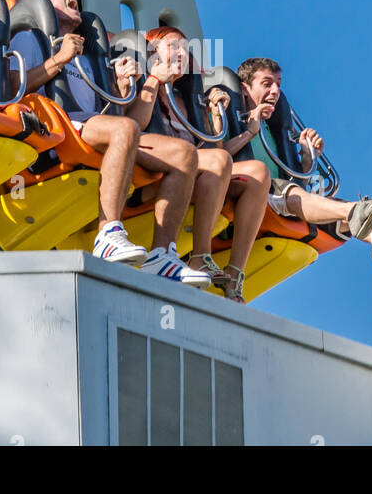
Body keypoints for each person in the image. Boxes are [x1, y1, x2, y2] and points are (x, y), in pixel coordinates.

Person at [8, 0, 209, 287]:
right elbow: (13, 87)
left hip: (97, 127)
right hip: (56, 126)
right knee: (124, 129)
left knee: (184, 154)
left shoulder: (89, 56)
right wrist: (59, 59)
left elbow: (108, 108)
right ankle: (108, 234)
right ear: (39, 3)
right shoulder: (29, 38)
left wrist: (122, 87)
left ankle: (161, 255)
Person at [115, 27, 270, 303]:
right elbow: (133, 125)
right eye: (173, 46)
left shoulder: (187, 98)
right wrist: (152, 81)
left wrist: (217, 119)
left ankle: (234, 274)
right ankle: (200, 255)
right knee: (217, 159)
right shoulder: (142, 77)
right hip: (152, 169)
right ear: (152, 52)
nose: (181, 53)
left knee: (258, 172)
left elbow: (214, 153)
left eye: (185, 49)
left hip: (191, 169)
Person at [234, 56, 372, 241]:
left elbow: (294, 181)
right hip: (256, 195)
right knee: (346, 210)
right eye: (267, 84)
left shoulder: (272, 131)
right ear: (245, 89)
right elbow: (223, 156)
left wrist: (307, 157)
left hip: (286, 199)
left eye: (278, 84)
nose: (275, 91)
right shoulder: (233, 122)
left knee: (369, 218)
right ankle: (353, 212)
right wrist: (249, 132)